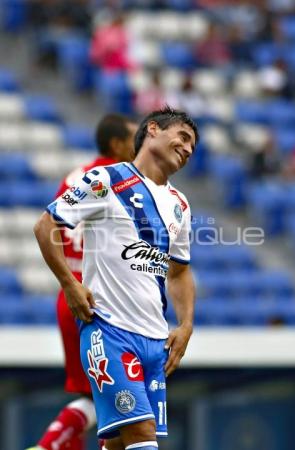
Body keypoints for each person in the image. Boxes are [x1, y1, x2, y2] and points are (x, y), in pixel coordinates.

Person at [34, 106, 198, 450]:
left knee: (120, 443)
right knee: (143, 435)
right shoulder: (106, 180)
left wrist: (185, 325)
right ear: (152, 129)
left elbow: (180, 271)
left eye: (192, 146)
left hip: (155, 342)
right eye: (182, 137)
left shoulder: (180, 204)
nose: (187, 148)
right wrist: (70, 283)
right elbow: (45, 226)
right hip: (110, 331)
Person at [27, 114, 137, 450]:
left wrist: (67, 282)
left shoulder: (76, 177)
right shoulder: (124, 182)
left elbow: (50, 227)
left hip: (70, 295)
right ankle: (49, 445)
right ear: (116, 144)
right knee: (123, 401)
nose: (140, 145)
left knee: (92, 394)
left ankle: (57, 443)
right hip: (100, 297)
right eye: (134, 138)